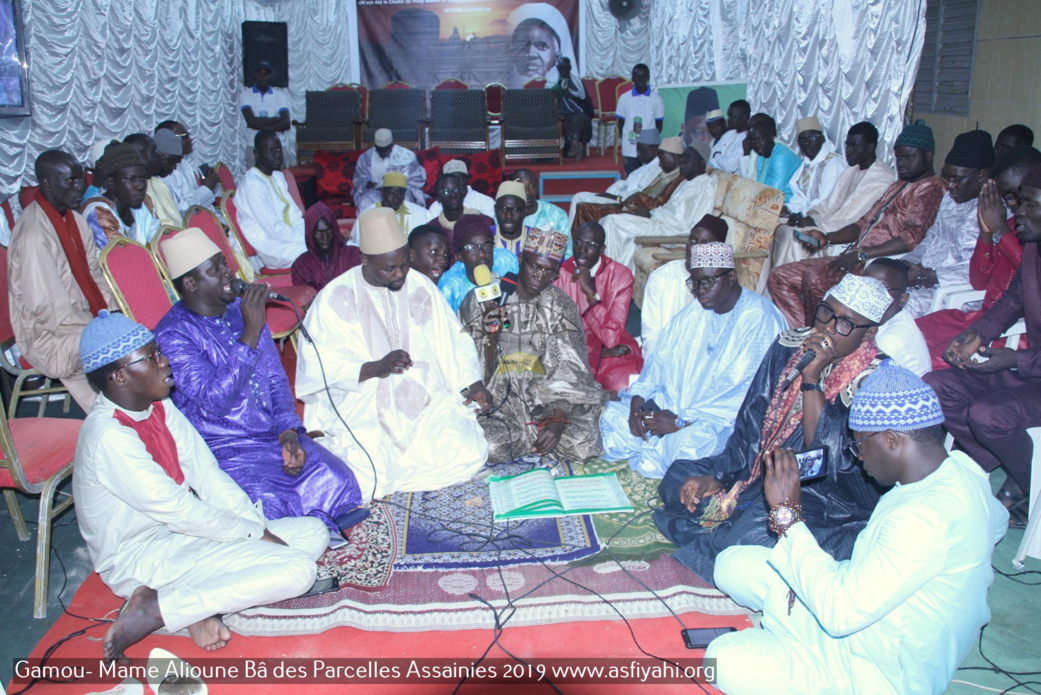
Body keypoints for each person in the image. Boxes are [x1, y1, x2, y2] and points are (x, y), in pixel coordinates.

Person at [706, 361, 1007, 695]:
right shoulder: (964, 470)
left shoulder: (922, 520)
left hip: (883, 670)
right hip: (862, 604)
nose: (858, 457)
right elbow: (998, 523)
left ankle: (793, 647)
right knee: (731, 564)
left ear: (891, 440)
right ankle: (789, 637)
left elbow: (840, 615)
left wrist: (787, 515)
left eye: (859, 444)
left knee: (721, 660)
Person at [75, 310, 327, 662]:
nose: (165, 362)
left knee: (313, 532)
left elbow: (206, 474)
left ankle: (193, 606)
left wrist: (254, 526)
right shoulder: (108, 437)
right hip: (141, 557)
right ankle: (157, 608)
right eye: (152, 357)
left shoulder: (158, 406)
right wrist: (253, 535)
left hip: (182, 538)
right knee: (298, 570)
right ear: (119, 376)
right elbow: (180, 510)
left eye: (159, 352)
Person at [654, 273, 890, 582]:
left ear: (869, 332)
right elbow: (750, 421)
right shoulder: (789, 344)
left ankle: (737, 527)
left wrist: (811, 379)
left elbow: (830, 462)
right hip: (758, 468)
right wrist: (720, 475)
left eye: (845, 324)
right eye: (825, 313)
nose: (828, 328)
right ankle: (734, 515)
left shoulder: (875, 382)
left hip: (821, 495)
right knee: (680, 475)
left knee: (754, 530)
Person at [154, 228, 362, 543]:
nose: (229, 273)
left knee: (338, 477)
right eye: (216, 269)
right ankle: (299, 533)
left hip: (270, 436)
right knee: (263, 504)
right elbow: (216, 400)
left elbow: (276, 379)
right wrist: (250, 332)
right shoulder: (173, 334)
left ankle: (307, 531)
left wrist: (288, 434)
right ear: (191, 283)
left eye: (224, 263)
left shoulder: (241, 312)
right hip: (225, 450)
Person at [296, 207, 493, 499]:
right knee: (363, 472)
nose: (400, 274)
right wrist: (375, 367)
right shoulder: (335, 297)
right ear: (365, 259)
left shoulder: (419, 284)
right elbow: (318, 367)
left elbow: (455, 340)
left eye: (404, 264)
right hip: (364, 404)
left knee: (467, 449)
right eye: (390, 269)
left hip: (426, 400)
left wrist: (472, 383)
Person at [601, 242, 786, 477]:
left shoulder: (761, 319)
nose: (699, 290)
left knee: (687, 450)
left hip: (715, 423)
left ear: (731, 276)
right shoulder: (692, 314)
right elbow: (657, 364)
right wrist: (637, 403)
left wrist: (681, 422)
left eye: (708, 281)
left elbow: (742, 398)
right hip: (669, 407)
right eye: (695, 282)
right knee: (613, 420)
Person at [924, 162, 1041, 528]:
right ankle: (1001, 465)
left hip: (1031, 368)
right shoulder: (1034, 250)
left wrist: (1015, 360)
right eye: (1019, 202)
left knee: (988, 415)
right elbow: (1013, 300)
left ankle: (1032, 487)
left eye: (1030, 205)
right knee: (936, 386)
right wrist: (978, 333)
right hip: (1031, 372)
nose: (1017, 214)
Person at [766, 119, 946, 328]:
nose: (902, 163)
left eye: (909, 157)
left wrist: (861, 254)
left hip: (880, 265)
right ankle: (804, 332)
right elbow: (862, 224)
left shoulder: (930, 188)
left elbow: (911, 239)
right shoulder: (899, 185)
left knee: (815, 279)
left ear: (928, 156)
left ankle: (822, 335)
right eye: (899, 157)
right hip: (856, 257)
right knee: (779, 277)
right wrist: (827, 238)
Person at [460, 227, 606, 462]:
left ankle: (534, 436)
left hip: (547, 398)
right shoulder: (484, 298)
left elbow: (571, 368)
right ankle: (527, 437)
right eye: (534, 266)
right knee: (491, 446)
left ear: (557, 274)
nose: (540, 276)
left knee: (583, 446)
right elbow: (464, 360)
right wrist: (491, 337)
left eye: (549, 271)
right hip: (498, 399)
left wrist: (557, 420)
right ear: (521, 259)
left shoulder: (561, 305)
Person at [9, 150, 117, 412]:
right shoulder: (34, 235)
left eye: (80, 179)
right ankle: (118, 418)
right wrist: (99, 327)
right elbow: (50, 311)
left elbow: (96, 275)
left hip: (82, 320)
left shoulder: (75, 221)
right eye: (71, 181)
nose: (80, 187)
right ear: (47, 183)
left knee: (132, 331)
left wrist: (113, 313)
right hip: (50, 336)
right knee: (123, 349)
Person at [916, 146, 1041, 370]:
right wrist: (986, 233)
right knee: (909, 333)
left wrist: (1001, 230)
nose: (1010, 205)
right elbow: (979, 281)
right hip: (983, 319)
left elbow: (1029, 277)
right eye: (1004, 197)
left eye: (1014, 196)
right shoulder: (1011, 225)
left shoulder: (1025, 233)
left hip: (1016, 332)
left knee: (928, 359)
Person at [764, 122, 896, 283]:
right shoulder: (852, 168)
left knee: (795, 239)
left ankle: (786, 289)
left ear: (870, 147)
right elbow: (829, 204)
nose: (848, 150)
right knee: (771, 225)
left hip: (843, 237)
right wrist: (810, 218)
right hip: (825, 225)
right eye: (847, 145)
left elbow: (856, 222)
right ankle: (762, 288)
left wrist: (817, 226)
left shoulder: (882, 177)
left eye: (854, 146)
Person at [554, 222, 643, 393]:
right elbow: (557, 332)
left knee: (624, 386)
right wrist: (596, 352)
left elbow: (611, 337)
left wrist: (590, 296)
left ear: (602, 249)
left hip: (612, 343)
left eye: (591, 245)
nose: (582, 250)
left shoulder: (620, 275)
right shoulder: (560, 273)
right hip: (571, 348)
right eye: (578, 243)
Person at [602, 141, 718, 271]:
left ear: (701, 162)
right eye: (683, 156)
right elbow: (672, 210)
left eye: (688, 157)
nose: (682, 160)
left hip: (671, 231)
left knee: (613, 222)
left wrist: (651, 215)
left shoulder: (703, 185)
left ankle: (610, 273)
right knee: (611, 220)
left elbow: (680, 220)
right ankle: (611, 270)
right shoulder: (687, 181)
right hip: (661, 223)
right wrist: (651, 215)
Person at [640, 214, 729, 357]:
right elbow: (651, 335)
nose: (695, 249)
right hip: (663, 355)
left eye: (705, 244)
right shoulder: (661, 277)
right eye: (692, 240)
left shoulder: (722, 284)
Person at [570, 137, 685, 231]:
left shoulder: (676, 178)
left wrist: (622, 199)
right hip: (630, 204)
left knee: (595, 211)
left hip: (637, 209)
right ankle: (571, 246)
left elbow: (661, 205)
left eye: (662, 159)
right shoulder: (664, 174)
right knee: (582, 205)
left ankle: (574, 246)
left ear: (675, 157)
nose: (660, 164)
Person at [233, 130, 307, 270]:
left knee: (331, 244)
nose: (277, 155)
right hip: (274, 248)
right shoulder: (253, 185)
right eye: (270, 151)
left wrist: (309, 231)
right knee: (322, 251)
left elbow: (295, 215)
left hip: (291, 239)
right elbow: (275, 230)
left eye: (278, 149)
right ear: (257, 154)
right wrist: (307, 236)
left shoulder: (277, 176)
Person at [81, 141, 160, 249]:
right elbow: (119, 255)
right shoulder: (97, 211)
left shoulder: (144, 203)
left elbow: (160, 242)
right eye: (131, 179)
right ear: (111, 182)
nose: (140, 186)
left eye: (142, 179)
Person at [863, 259, 931, 376]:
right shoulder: (889, 318)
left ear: (903, 299)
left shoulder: (889, 341)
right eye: (866, 286)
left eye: (881, 289)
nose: (871, 294)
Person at [438, 214, 519, 313]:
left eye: (487, 246)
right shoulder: (449, 287)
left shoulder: (507, 261)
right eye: (471, 248)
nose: (481, 253)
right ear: (459, 256)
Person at [291, 201, 361, 292]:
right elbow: (305, 297)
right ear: (310, 234)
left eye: (328, 231)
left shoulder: (354, 256)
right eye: (318, 232)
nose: (324, 237)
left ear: (335, 230)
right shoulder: (301, 265)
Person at [353, 128, 426, 213]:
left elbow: (415, 180)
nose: (382, 153)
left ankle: (404, 222)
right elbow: (360, 178)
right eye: (379, 150)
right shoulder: (366, 157)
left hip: (400, 191)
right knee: (365, 200)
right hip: (376, 191)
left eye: (386, 150)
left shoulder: (405, 156)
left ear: (391, 145)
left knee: (406, 199)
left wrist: (396, 186)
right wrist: (367, 182)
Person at [155, 120, 220, 215]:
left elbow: (194, 196)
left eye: (188, 135)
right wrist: (207, 188)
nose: (190, 139)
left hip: (208, 216)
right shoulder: (165, 173)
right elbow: (183, 211)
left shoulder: (184, 163)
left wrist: (206, 182)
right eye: (184, 136)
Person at [784, 117, 845, 217]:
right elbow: (799, 200)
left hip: (830, 218)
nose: (807, 143)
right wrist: (788, 209)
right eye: (802, 140)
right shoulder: (803, 168)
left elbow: (828, 202)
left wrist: (803, 214)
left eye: (811, 138)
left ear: (822, 139)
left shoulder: (834, 163)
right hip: (808, 217)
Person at [505, 4, 577, 89]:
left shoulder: (569, 91)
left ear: (557, 56)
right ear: (512, 53)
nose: (531, 54)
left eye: (541, 46)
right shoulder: (501, 92)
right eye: (523, 46)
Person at [239, 60, 295, 168]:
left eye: (265, 74)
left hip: (278, 144)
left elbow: (286, 123)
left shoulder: (280, 96)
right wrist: (277, 119)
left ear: (270, 76)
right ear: (255, 75)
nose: (263, 77)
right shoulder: (246, 95)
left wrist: (261, 127)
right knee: (254, 177)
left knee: (280, 177)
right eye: (260, 73)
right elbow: (251, 122)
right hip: (253, 144)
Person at [615, 64, 665, 175]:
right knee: (631, 178)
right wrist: (627, 140)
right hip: (629, 149)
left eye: (643, 76)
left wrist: (650, 142)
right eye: (637, 76)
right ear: (633, 78)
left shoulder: (657, 99)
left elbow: (659, 126)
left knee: (649, 179)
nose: (640, 79)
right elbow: (620, 124)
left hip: (649, 151)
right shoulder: (624, 98)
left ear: (648, 77)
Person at [126, 132, 182, 229]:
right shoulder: (133, 191)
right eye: (155, 150)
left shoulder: (157, 182)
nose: (160, 154)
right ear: (141, 156)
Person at [741, 114, 802, 203]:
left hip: (790, 204)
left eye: (760, 139)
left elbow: (773, 192)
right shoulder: (761, 155)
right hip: (770, 203)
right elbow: (758, 185)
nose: (757, 144)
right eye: (753, 141)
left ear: (771, 136)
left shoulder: (782, 156)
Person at [426, 172, 484, 260]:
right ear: (438, 198)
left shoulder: (482, 222)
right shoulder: (431, 229)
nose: (453, 195)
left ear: (464, 192)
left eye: (456, 190)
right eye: (446, 192)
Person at [514, 168, 571, 255]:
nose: (527, 192)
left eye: (532, 186)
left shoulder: (557, 215)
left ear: (537, 188)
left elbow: (567, 254)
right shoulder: (506, 216)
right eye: (521, 187)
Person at [553, 56, 593, 160]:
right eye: (560, 68)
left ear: (570, 68)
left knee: (580, 118)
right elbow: (547, 100)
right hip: (558, 111)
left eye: (565, 68)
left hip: (576, 110)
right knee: (563, 119)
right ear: (557, 69)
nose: (563, 71)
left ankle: (575, 143)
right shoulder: (552, 81)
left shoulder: (576, 81)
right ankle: (574, 145)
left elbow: (585, 100)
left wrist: (573, 95)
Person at [427, 160, 495, 219]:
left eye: (458, 178)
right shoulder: (436, 207)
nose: (455, 183)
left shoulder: (486, 202)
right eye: (451, 180)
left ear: (467, 179)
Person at [708, 100, 751, 175]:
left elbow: (729, 166)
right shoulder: (728, 134)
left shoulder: (747, 138)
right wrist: (720, 158)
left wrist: (717, 155)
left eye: (732, 117)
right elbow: (710, 160)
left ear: (744, 117)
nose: (728, 120)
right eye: (728, 116)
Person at [492, 180, 531, 258]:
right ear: (495, 209)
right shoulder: (486, 235)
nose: (508, 216)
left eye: (515, 209)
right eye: (503, 209)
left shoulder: (536, 239)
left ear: (525, 211)